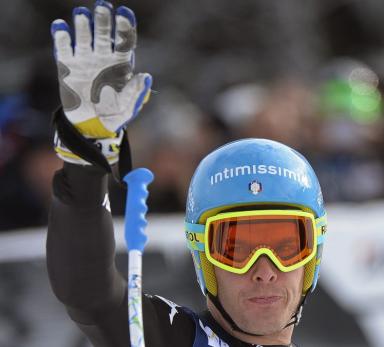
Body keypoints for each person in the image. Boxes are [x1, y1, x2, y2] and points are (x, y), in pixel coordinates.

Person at [46, 2, 327, 347]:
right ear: (203, 257)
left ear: (312, 257)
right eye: (237, 249)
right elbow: (89, 293)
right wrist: (84, 161)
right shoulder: (175, 338)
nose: (264, 271)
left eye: (286, 247)